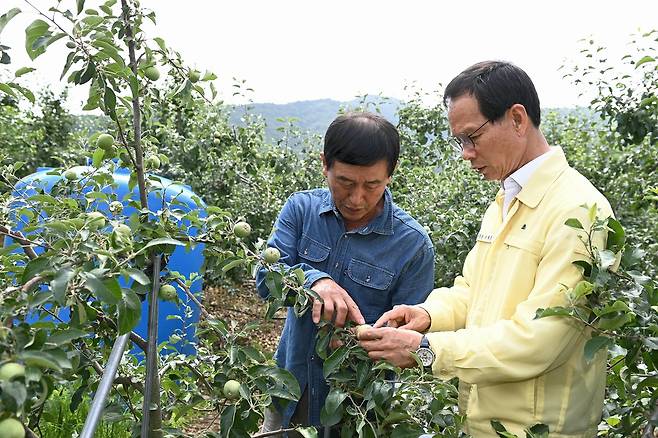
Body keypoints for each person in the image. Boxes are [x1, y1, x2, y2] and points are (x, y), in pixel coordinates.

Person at [358, 61, 614, 437]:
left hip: (538, 429)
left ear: (516, 119)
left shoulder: (577, 211)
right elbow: (471, 291)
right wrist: (426, 315)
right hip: (483, 424)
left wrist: (427, 350)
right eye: (459, 141)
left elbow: (540, 340)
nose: (465, 153)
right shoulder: (506, 201)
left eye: (472, 137)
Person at [255, 111, 435, 433]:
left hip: (356, 406)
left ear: (390, 176)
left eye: (372, 185)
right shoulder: (301, 210)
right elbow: (265, 279)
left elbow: (409, 336)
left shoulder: (413, 246)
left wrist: (368, 343)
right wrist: (314, 281)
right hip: (289, 388)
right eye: (345, 182)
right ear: (325, 164)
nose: (356, 198)